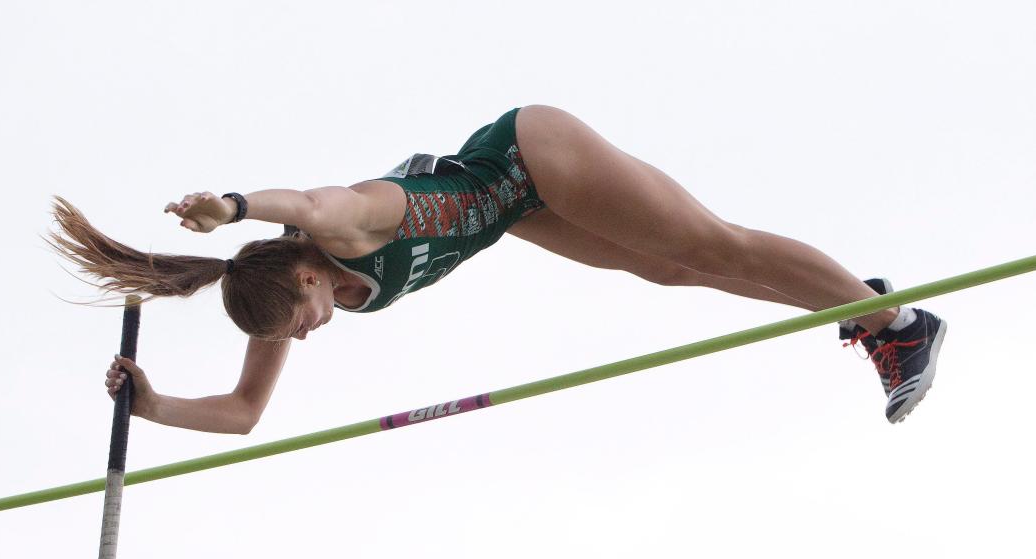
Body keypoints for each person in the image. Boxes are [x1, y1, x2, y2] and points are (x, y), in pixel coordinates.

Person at [46, 105, 945, 434]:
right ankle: (861, 307)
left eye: (299, 320)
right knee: (672, 275)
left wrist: (235, 205)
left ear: (305, 278)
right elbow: (245, 415)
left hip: (530, 156)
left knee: (707, 245)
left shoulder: (346, 228)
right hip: (519, 212)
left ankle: (901, 323)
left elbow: (313, 204)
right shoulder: (294, 298)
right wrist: (151, 403)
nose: (306, 336)